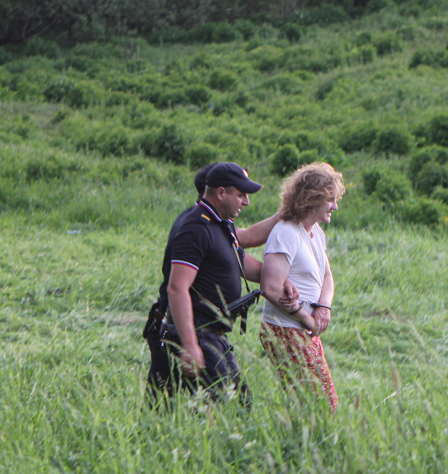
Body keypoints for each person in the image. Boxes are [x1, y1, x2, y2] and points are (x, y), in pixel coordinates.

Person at [146, 162, 297, 405]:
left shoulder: (220, 224)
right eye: (241, 195)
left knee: (193, 408)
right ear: (221, 193)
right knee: (231, 406)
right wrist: (190, 345)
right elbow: (177, 288)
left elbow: (236, 261)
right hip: (196, 332)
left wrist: (278, 280)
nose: (246, 202)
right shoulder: (196, 228)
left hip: (212, 334)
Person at [258, 162, 345, 410]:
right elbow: (271, 288)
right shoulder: (285, 232)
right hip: (285, 327)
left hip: (305, 327)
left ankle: (302, 444)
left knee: (316, 403)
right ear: (312, 198)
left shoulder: (315, 232)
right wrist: (307, 319)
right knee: (321, 403)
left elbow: (327, 276)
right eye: (330, 199)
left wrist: (323, 308)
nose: (335, 206)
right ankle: (303, 445)